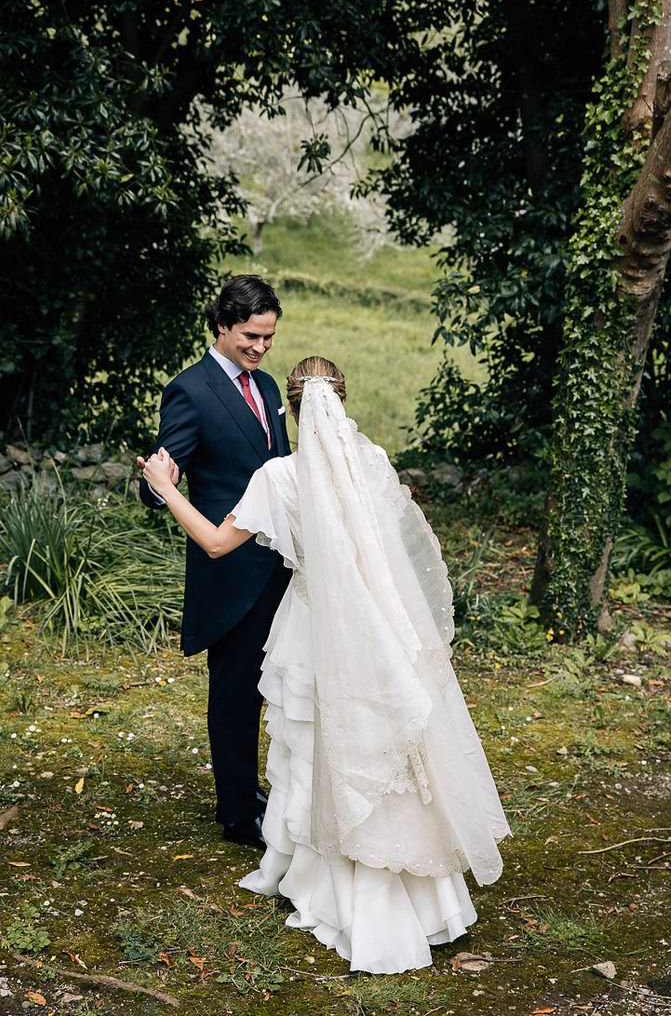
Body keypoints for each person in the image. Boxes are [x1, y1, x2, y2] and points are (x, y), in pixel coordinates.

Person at [142, 356, 511, 974]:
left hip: (312, 629)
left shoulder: (278, 476)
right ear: (343, 402)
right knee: (382, 748)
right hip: (375, 627)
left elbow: (215, 543)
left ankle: (324, 878)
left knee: (317, 745)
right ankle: (412, 889)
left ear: (289, 409)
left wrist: (166, 485)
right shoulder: (372, 463)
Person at [137, 275, 291, 849]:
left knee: (273, 684)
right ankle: (238, 812)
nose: (260, 347)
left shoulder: (268, 386)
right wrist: (164, 482)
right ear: (223, 325)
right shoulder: (190, 390)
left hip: (277, 563)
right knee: (234, 692)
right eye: (251, 336)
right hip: (228, 569)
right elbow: (159, 476)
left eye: (268, 337)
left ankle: (256, 789)